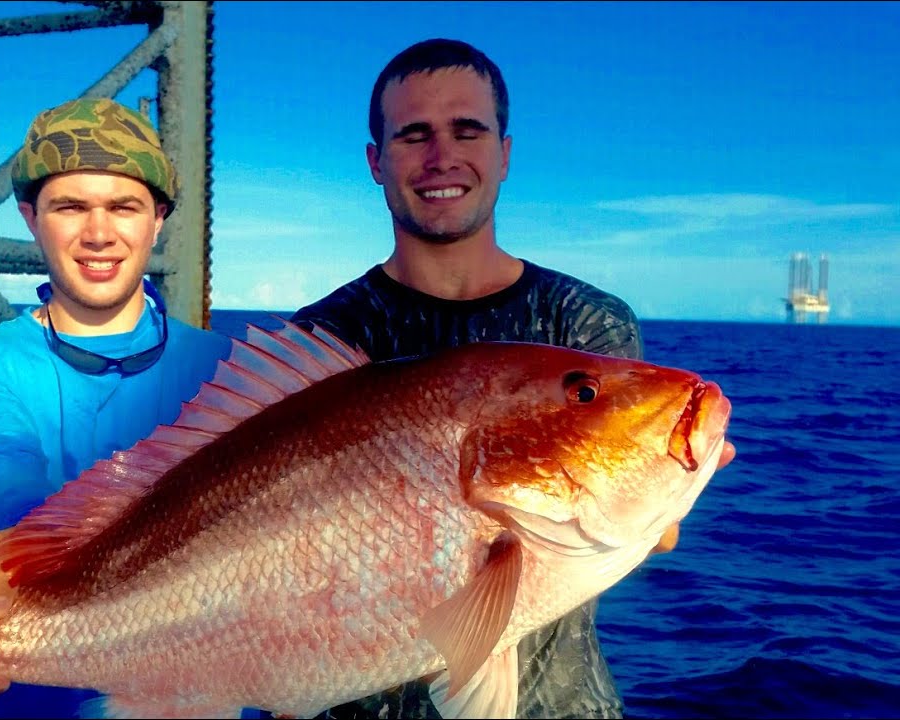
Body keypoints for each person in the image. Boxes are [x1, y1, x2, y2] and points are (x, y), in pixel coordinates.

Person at [287, 38, 735, 719]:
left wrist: (667, 494)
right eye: (413, 136)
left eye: (469, 130)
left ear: (505, 153)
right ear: (377, 162)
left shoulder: (583, 321)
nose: (442, 157)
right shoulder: (320, 338)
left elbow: (638, 524)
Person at [0, 97, 231, 718]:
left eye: (124, 207)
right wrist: (20, 543)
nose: (98, 233)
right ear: (31, 218)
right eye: (70, 207)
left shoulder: (229, 371)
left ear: (158, 219)